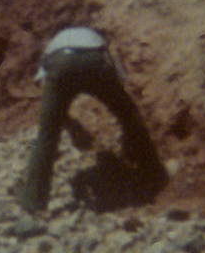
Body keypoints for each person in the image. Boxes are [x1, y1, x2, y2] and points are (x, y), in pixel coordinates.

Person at [18, 27, 167, 213]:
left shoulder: (51, 47)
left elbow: (44, 85)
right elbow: (118, 76)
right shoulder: (98, 40)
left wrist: (69, 125)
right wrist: (125, 116)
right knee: (128, 115)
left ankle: (33, 202)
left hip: (61, 63)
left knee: (46, 137)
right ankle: (153, 172)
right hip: (95, 60)